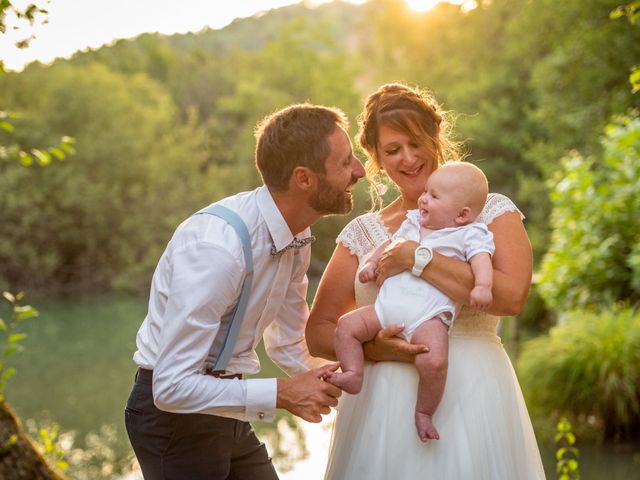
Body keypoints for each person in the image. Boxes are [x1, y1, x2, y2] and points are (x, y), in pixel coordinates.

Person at [306, 83, 546, 479]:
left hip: (473, 393)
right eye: (393, 149)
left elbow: (510, 297)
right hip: (381, 407)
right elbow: (318, 332)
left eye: (416, 142)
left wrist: (417, 258)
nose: (409, 157)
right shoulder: (364, 232)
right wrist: (375, 350)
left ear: (437, 139)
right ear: (376, 159)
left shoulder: (488, 212)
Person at [125, 103, 365, 480]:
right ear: (304, 178)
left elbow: (288, 341)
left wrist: (357, 386)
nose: (360, 171)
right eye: (346, 162)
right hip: (172, 421)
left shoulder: (296, 236)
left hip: (228, 406)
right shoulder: (218, 248)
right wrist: (282, 394)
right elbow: (170, 387)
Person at [327, 162, 494, 442]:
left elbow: (481, 259)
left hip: (428, 317)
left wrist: (483, 286)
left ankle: (424, 412)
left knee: (435, 360)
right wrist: (371, 263)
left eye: (434, 196)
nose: (424, 199)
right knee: (346, 326)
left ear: (462, 214)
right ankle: (354, 373)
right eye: (426, 192)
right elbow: (389, 244)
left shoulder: (470, 234)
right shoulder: (413, 221)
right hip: (383, 310)